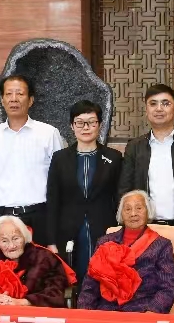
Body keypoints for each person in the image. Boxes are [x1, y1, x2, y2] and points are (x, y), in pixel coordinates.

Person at [117, 84, 174, 313]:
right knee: (142, 286)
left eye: (165, 103)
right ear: (146, 109)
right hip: (144, 229)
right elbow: (125, 190)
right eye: (153, 104)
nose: (159, 109)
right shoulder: (135, 147)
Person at [0, 75, 64, 246]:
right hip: (1, 218)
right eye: (9, 94)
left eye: (20, 93)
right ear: (2, 100)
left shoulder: (48, 133)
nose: (14, 99)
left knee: (41, 263)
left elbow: (59, 181)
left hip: (39, 217)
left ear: (30, 100)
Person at [44, 100, 123, 282]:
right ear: (72, 126)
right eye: (80, 123)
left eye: (91, 122)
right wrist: (51, 241)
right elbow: (53, 200)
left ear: (100, 125)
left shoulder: (114, 157)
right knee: (74, 278)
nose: (86, 127)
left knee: (105, 278)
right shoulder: (60, 159)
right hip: (69, 230)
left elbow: (119, 198)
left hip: (105, 229)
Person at [78, 190, 174, 315]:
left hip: (142, 311)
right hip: (106, 311)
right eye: (127, 209)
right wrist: (84, 312)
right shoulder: (105, 242)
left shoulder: (161, 245)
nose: (133, 213)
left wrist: (152, 312)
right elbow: (90, 283)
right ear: (121, 214)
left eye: (139, 208)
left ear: (148, 211)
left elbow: (168, 287)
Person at [0, 215, 73, 307]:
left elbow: (56, 293)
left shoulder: (44, 259)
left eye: (16, 238)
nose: (12, 246)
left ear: (25, 237)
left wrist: (24, 302)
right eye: (4, 241)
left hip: (35, 314)